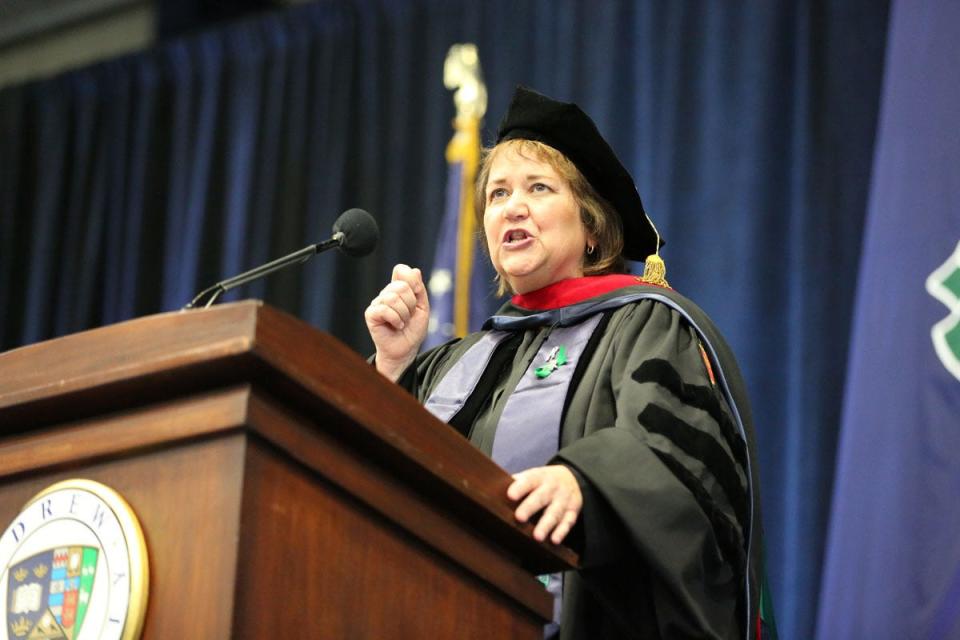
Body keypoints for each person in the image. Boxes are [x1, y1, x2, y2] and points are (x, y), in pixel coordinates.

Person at [365, 86, 772, 639]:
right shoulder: (460, 363)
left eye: (538, 187)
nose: (512, 206)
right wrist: (393, 371)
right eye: (497, 194)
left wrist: (594, 484)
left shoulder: (646, 326)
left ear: (592, 228)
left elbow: (683, 454)